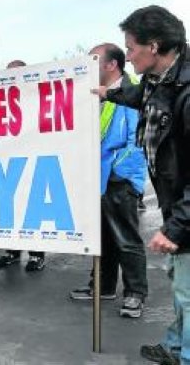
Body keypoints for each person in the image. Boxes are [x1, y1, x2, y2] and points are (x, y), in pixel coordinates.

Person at [93, 6, 189, 364]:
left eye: (131, 48)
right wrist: (107, 93)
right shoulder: (157, 81)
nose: (128, 55)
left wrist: (177, 225)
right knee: (182, 285)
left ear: (153, 46)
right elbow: (139, 97)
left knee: (188, 292)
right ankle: (175, 348)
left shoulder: (187, 91)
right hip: (174, 203)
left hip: (184, 208)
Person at [70, 43, 148, 318]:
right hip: (99, 178)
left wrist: (118, 173)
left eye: (94, 60)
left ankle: (135, 293)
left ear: (110, 65)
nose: (88, 65)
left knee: (126, 239)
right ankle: (103, 287)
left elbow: (136, 142)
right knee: (101, 238)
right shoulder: (97, 93)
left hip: (118, 179)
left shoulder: (132, 91)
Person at [0, 59, 46, 272]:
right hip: (7, 166)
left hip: (32, 165)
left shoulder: (36, 99)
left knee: (31, 213)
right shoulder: (0, 101)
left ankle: (37, 255)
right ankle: (12, 252)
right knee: (8, 212)